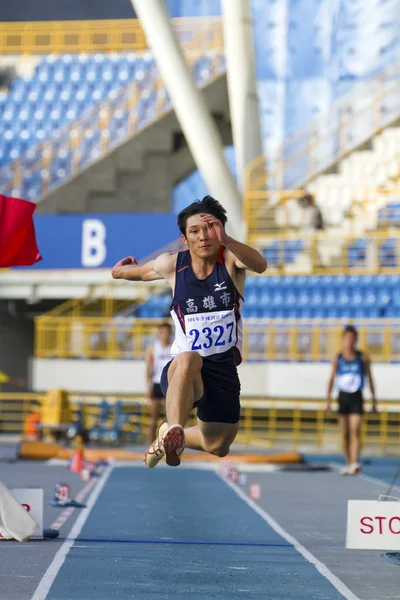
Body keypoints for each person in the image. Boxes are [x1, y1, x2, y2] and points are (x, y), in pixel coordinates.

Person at [112, 196, 267, 467]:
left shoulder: (230, 261)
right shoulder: (172, 265)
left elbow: (261, 265)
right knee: (189, 358)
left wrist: (228, 240)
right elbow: (133, 273)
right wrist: (118, 271)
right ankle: (174, 428)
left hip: (223, 370)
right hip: (183, 371)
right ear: (185, 238)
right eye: (195, 231)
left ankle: (169, 434)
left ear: (220, 230)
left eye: (210, 228)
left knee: (218, 446)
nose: (204, 236)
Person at [325, 325, 377, 475]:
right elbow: (331, 379)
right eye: (347, 338)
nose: (349, 342)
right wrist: (327, 400)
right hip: (343, 396)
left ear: (356, 340)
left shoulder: (363, 358)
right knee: (345, 432)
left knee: (355, 430)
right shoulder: (338, 358)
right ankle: (348, 462)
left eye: (352, 339)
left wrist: (374, 400)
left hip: (357, 396)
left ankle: (354, 462)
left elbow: (370, 379)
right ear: (343, 340)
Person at [145, 322, 173, 444]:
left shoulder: (174, 347)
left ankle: (167, 444)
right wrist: (148, 387)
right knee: (154, 418)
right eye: (162, 332)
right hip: (156, 383)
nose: (164, 335)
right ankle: (151, 445)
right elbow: (149, 368)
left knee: (170, 419)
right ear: (159, 334)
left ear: (170, 333)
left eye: (167, 332)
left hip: (170, 384)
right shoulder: (153, 347)